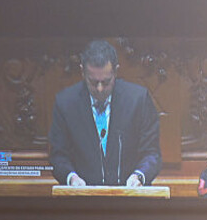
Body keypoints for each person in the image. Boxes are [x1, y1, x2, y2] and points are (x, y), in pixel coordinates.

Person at [49, 39, 161, 188]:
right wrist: (71, 178)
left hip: (129, 199)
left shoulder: (138, 100)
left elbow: (151, 153)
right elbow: (58, 156)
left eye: (106, 82)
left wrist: (139, 176)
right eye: (93, 82)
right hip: (82, 201)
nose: (100, 89)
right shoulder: (65, 103)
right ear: (82, 71)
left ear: (116, 71)